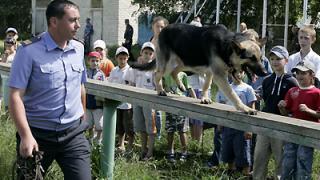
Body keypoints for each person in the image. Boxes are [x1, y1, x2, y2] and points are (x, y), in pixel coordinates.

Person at [8, 1, 91, 179]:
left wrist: (82, 115)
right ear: (54, 22)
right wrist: (25, 136)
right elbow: (15, 96)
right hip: (37, 134)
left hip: (72, 134)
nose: (78, 25)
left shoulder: (78, 48)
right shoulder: (28, 51)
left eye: (78, 20)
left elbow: (81, 87)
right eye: (72, 20)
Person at [252, 46, 298, 180]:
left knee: (280, 158)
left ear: (286, 60)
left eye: (278, 59)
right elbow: (264, 97)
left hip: (282, 124)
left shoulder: (292, 81)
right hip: (265, 122)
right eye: (272, 59)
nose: (275, 62)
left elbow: (294, 105)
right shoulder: (267, 80)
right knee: (259, 156)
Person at [278, 60, 320, 179]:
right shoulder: (292, 91)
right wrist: (281, 108)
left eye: (303, 73)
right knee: (288, 160)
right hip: (292, 131)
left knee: (303, 160)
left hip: (308, 133)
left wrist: (308, 110)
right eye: (297, 72)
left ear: (312, 74)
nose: (299, 76)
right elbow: (286, 113)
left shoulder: (317, 93)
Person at [218, 70, 256, 176]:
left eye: (241, 72)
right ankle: (231, 174)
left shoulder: (248, 88)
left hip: (242, 126)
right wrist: (220, 124)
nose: (238, 75)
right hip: (228, 125)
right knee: (228, 153)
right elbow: (220, 107)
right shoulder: (225, 88)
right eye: (235, 72)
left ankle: (246, 175)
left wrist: (249, 128)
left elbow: (251, 109)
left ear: (244, 73)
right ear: (230, 73)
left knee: (244, 154)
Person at [125, 42, 156, 160]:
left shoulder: (154, 69)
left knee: (151, 127)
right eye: (145, 52)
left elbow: (157, 84)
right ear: (141, 53)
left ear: (153, 55)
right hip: (137, 100)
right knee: (140, 126)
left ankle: (151, 152)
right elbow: (131, 83)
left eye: (150, 53)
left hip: (149, 102)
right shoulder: (136, 68)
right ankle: (143, 149)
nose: (147, 55)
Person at [163, 71, 196, 162]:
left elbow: (189, 88)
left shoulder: (182, 74)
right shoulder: (165, 74)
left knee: (183, 130)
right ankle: (170, 151)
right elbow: (161, 86)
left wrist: (196, 101)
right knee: (170, 130)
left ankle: (184, 152)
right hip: (169, 105)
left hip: (182, 106)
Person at [108, 47, 134, 154]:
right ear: (116, 58)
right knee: (119, 125)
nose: (122, 60)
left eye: (124, 58)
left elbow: (133, 85)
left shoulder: (130, 70)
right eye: (120, 58)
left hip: (127, 103)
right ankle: (121, 144)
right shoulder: (114, 70)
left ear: (127, 58)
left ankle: (131, 145)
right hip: (116, 102)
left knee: (128, 125)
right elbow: (110, 83)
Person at [86, 51, 105, 144]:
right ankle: (90, 139)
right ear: (88, 61)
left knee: (99, 124)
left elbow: (105, 88)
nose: (95, 63)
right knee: (89, 124)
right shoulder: (85, 72)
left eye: (97, 61)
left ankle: (99, 140)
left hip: (98, 103)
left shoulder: (101, 75)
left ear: (100, 62)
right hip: (87, 102)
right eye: (92, 60)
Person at [1, 37, 17, 110]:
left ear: (14, 46)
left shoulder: (17, 55)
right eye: (7, 45)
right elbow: (2, 66)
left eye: (10, 45)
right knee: (6, 100)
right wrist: (5, 56)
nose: (9, 47)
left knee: (14, 101)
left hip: (14, 82)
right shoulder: (4, 55)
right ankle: (7, 116)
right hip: (5, 80)